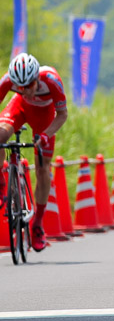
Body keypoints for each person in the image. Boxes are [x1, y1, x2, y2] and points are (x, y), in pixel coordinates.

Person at [0, 53, 68, 252]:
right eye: (20, 88)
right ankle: (2, 184)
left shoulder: (52, 80)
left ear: (37, 78)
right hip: (19, 108)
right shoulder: (8, 81)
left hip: (45, 117)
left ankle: (37, 224)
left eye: (29, 86)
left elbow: (62, 114)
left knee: (42, 168)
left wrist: (46, 135)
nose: (26, 90)